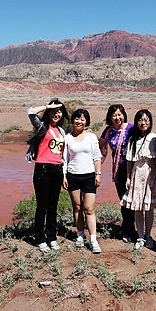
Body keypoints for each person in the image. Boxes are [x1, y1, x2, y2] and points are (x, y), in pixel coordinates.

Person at [25, 98, 69, 253]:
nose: (57, 114)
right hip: (42, 169)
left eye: (59, 111)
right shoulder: (42, 126)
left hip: (57, 169)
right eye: (54, 111)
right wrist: (47, 106)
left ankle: (51, 237)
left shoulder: (62, 131)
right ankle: (40, 238)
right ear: (49, 112)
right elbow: (30, 111)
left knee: (52, 207)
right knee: (42, 207)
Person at [62, 108, 103, 254]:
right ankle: (80, 235)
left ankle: (93, 239)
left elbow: (97, 156)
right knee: (77, 207)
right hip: (73, 175)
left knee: (89, 208)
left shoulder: (91, 137)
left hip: (89, 176)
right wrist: (64, 176)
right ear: (72, 120)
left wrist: (98, 173)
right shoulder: (67, 138)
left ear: (86, 122)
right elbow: (64, 159)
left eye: (83, 119)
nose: (79, 121)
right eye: (77, 118)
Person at [122, 109, 156, 250]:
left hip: (151, 174)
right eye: (140, 120)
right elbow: (129, 161)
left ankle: (148, 235)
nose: (143, 123)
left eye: (146, 120)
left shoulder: (155, 138)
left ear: (150, 121)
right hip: (136, 174)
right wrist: (127, 177)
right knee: (137, 208)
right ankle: (140, 236)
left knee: (149, 207)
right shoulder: (132, 140)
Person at [99, 104, 137, 242]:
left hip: (133, 171)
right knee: (123, 200)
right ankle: (128, 227)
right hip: (118, 171)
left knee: (132, 200)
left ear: (124, 115)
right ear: (110, 117)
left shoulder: (131, 129)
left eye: (119, 114)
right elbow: (101, 147)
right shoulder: (109, 131)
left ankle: (130, 229)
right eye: (114, 115)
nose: (117, 117)